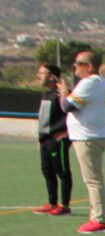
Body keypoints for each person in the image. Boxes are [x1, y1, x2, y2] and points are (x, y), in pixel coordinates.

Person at [60, 50, 105, 234]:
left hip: (89, 137)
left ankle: (99, 220)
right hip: (93, 135)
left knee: (93, 180)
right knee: (93, 179)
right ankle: (97, 217)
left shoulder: (89, 83)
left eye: (78, 62)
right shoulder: (100, 83)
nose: (75, 66)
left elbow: (67, 106)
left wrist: (63, 93)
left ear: (89, 67)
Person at [34, 63, 73, 216]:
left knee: (62, 172)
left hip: (58, 140)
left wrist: (67, 133)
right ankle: (52, 203)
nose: (38, 75)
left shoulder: (62, 93)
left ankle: (65, 205)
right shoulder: (46, 93)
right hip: (45, 140)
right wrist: (40, 139)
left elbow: (74, 113)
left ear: (52, 76)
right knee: (47, 171)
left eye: (42, 72)